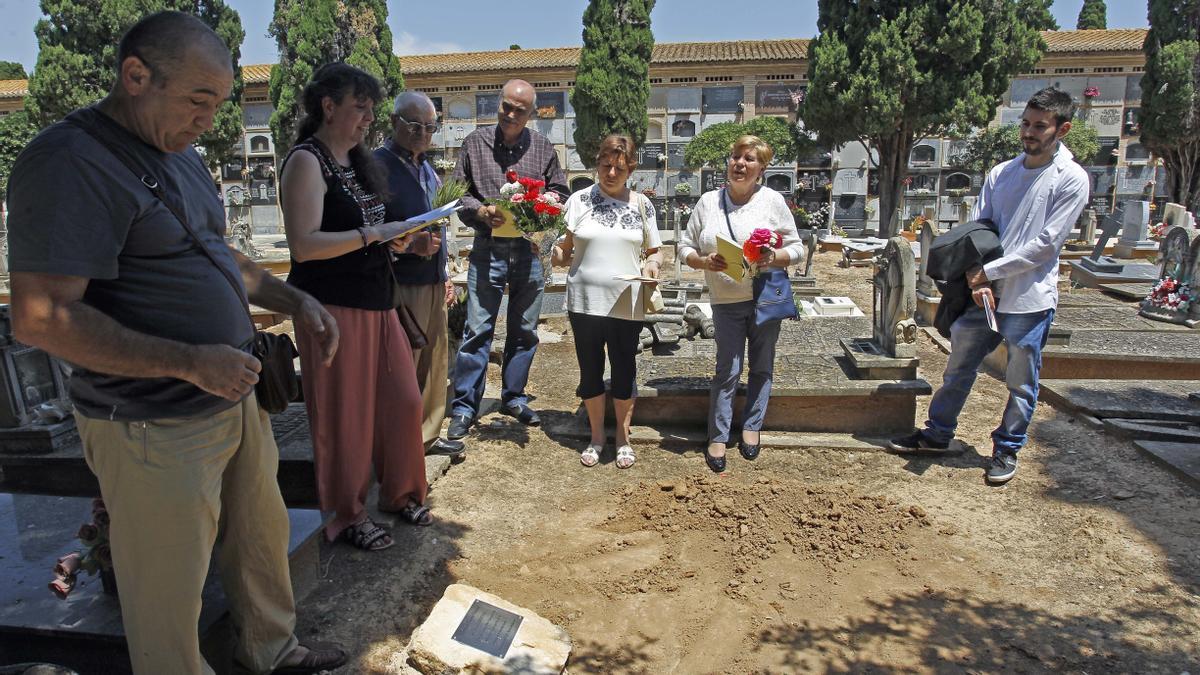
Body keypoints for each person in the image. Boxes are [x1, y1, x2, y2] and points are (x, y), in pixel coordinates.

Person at [6, 12, 346, 674]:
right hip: (150, 418)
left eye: (219, 103)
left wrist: (293, 298)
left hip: (229, 392)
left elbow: (217, 252)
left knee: (260, 533)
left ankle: (271, 650)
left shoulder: (180, 157)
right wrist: (189, 361)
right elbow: (41, 317)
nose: (211, 120)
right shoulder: (67, 163)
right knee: (167, 588)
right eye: (199, 100)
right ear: (136, 76)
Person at [888, 87, 1088, 485]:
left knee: (1020, 382)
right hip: (982, 295)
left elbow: (1046, 245)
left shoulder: (1071, 179)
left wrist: (989, 272)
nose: (1029, 133)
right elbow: (978, 232)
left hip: (1028, 297)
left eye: (1040, 126)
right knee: (958, 368)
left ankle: (1006, 448)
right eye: (1026, 124)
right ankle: (938, 434)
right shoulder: (1003, 173)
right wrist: (976, 276)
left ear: (1062, 129)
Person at [280, 63, 432, 552]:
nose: (369, 118)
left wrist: (403, 244)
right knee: (345, 416)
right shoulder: (307, 161)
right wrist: (375, 234)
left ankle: (401, 491)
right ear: (329, 107)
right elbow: (304, 245)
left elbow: (373, 237)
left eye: (370, 109)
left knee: (404, 401)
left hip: (378, 299)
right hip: (332, 306)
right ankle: (347, 515)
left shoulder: (358, 163)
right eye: (359, 108)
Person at [446, 79, 568, 439]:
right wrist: (481, 210)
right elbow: (457, 193)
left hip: (529, 249)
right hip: (488, 247)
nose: (511, 114)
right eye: (505, 107)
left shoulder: (543, 148)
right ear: (498, 104)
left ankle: (513, 397)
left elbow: (560, 191)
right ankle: (465, 407)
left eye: (519, 110)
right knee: (478, 329)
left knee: (525, 330)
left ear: (532, 114)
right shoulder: (475, 143)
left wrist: (540, 209)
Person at [678, 135, 804, 473]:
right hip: (725, 300)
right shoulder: (708, 202)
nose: (740, 163)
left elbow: (798, 249)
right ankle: (718, 434)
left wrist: (774, 255)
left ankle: (752, 427)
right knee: (727, 369)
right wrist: (704, 262)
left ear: (761, 168)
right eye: (735, 156)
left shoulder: (773, 201)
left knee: (762, 366)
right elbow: (684, 246)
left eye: (749, 159)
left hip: (764, 298)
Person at [552, 134, 663, 469]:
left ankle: (623, 438)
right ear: (597, 163)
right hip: (584, 301)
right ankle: (598, 436)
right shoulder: (578, 201)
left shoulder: (642, 204)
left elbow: (655, 250)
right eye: (605, 166)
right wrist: (549, 250)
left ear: (630, 169)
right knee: (590, 371)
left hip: (626, 302)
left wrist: (652, 266)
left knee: (624, 368)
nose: (611, 173)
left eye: (619, 168)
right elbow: (563, 250)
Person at [374, 91, 464, 459]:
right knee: (403, 365)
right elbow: (371, 228)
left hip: (431, 278)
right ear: (394, 123)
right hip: (400, 283)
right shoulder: (377, 166)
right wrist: (411, 246)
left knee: (434, 358)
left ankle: (427, 434)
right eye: (414, 126)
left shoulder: (424, 165)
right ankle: (399, 442)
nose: (423, 134)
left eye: (430, 127)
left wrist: (444, 272)